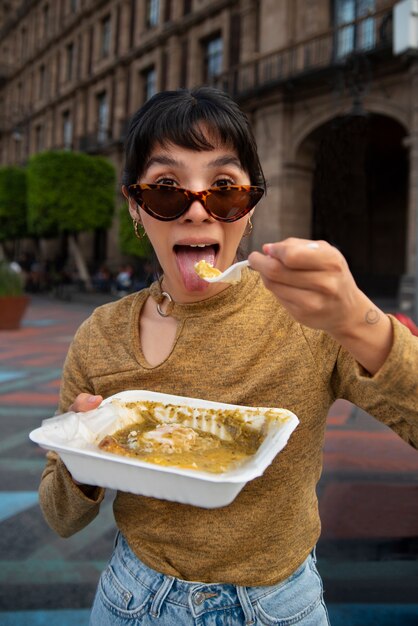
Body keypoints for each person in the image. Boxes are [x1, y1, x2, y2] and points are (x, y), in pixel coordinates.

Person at [38, 87, 418, 626]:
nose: (197, 210)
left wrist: (358, 322)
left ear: (251, 206)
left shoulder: (306, 320)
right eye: (167, 189)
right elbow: (59, 517)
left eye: (224, 189)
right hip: (129, 598)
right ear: (136, 207)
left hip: (276, 605)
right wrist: (81, 458)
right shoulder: (100, 335)